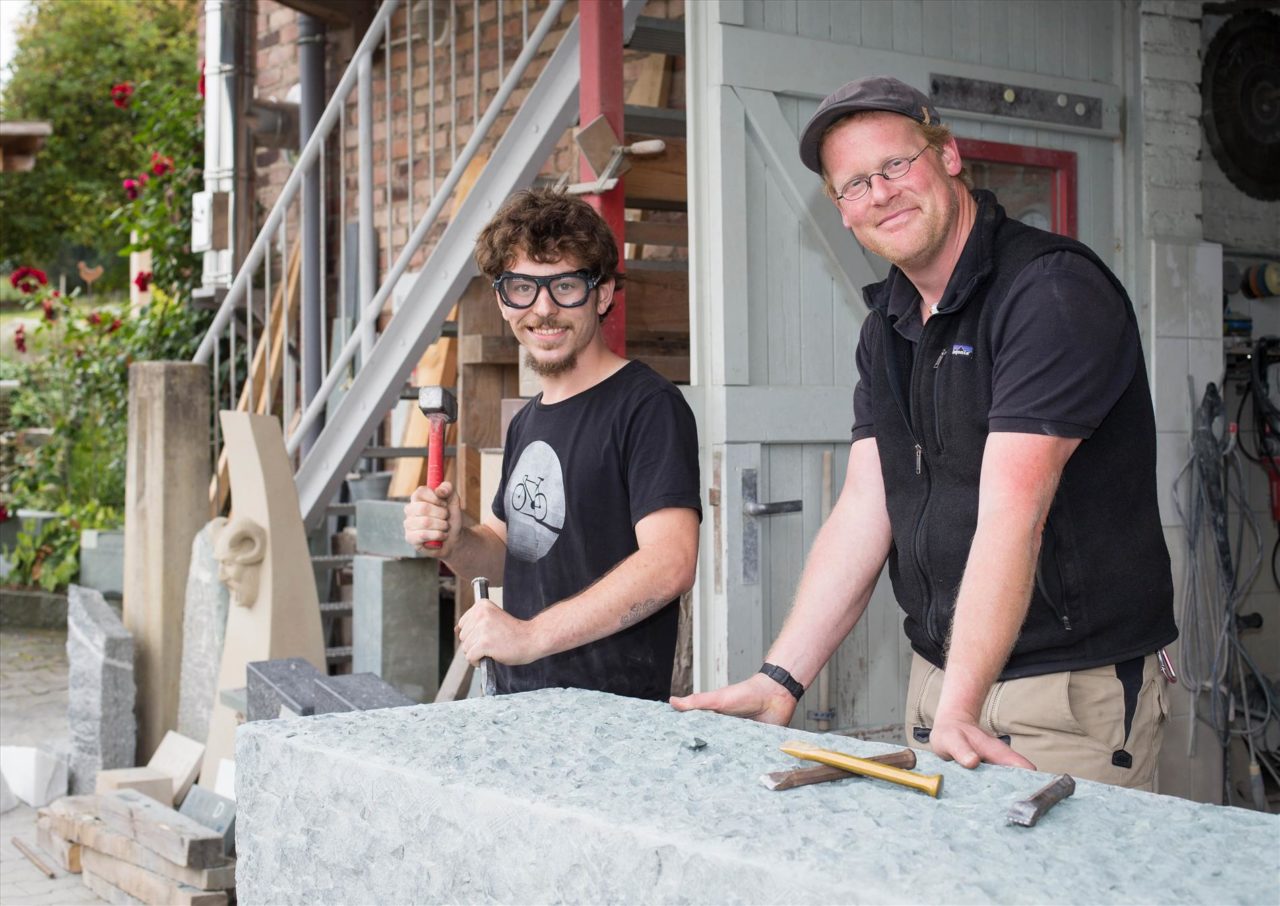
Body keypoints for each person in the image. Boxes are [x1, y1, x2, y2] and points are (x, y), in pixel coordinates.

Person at [672, 77, 1177, 789]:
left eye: (895, 166)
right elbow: (865, 508)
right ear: (843, 214)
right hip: (938, 687)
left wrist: (960, 706)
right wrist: (780, 676)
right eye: (854, 185)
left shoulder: (1050, 293)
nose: (879, 193)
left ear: (948, 157)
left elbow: (1013, 513)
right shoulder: (890, 326)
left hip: (1063, 699)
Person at [403, 188, 701, 701]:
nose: (543, 309)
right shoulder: (528, 422)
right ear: (502, 300)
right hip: (524, 708)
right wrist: (456, 542)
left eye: (564, 286)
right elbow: (506, 555)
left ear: (602, 294)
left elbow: (671, 562)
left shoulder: (647, 405)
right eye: (522, 287)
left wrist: (530, 636)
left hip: (609, 722)